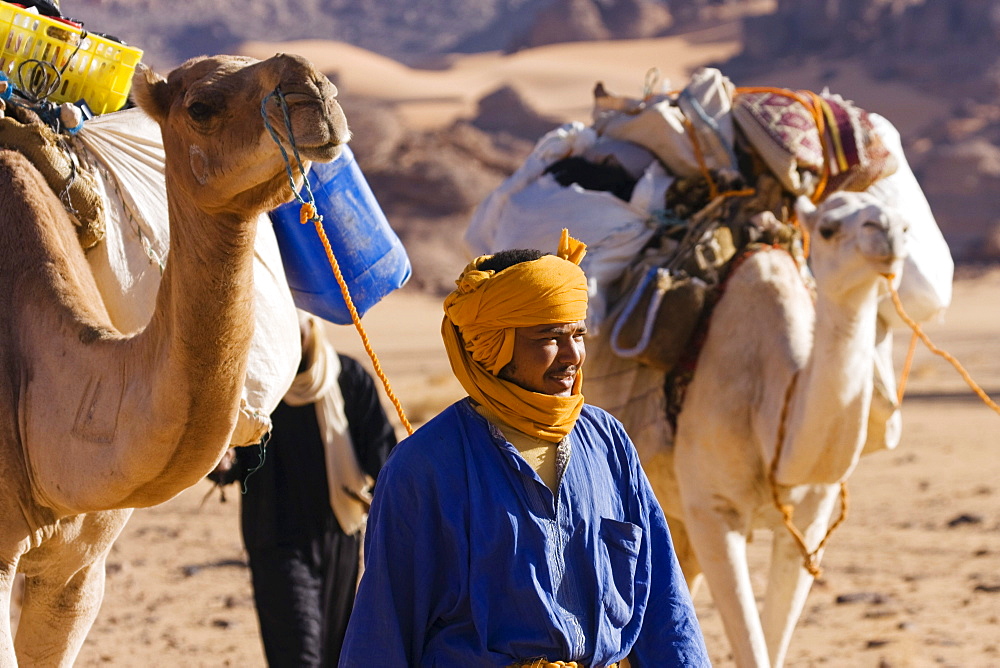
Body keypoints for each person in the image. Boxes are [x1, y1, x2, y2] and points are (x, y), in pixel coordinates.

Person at [339, 230, 710, 667]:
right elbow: (384, 631)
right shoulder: (422, 469)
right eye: (550, 336)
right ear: (494, 346)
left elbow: (665, 608)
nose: (573, 355)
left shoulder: (607, 443)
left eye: (579, 334)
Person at [225, 312, 397, 667]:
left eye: (292, 328)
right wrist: (221, 464)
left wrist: (385, 495)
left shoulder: (347, 378)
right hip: (274, 541)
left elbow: (381, 452)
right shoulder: (253, 392)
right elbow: (230, 460)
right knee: (298, 655)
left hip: (337, 536)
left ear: (309, 325)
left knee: (335, 653)